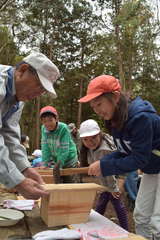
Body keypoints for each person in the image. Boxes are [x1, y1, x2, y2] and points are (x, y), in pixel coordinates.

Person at [78, 74, 160, 240]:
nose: (97, 111)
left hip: (153, 165)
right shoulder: (116, 120)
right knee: (140, 216)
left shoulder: (140, 118)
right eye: (94, 107)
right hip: (152, 168)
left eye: (99, 104)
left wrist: (104, 166)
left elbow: (139, 159)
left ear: (115, 97)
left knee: (157, 221)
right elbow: (124, 151)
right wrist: (103, 161)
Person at [0, 51, 60, 199]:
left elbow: (10, 136)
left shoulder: (17, 100)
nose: (38, 94)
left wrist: (25, 168)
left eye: (43, 91)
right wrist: (18, 181)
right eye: (39, 85)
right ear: (22, 71)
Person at [79, 119, 128, 230]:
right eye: (86, 139)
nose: (90, 142)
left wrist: (114, 187)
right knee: (101, 203)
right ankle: (94, 226)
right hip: (105, 183)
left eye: (93, 138)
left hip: (112, 182)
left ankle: (126, 230)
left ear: (100, 134)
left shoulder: (105, 150)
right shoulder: (90, 148)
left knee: (117, 204)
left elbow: (113, 171)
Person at [40, 106, 78, 183]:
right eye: (44, 121)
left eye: (50, 120)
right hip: (57, 159)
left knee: (69, 182)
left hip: (69, 159)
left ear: (56, 119)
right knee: (57, 181)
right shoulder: (44, 129)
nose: (47, 123)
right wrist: (45, 163)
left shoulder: (63, 128)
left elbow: (64, 149)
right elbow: (45, 147)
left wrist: (58, 165)